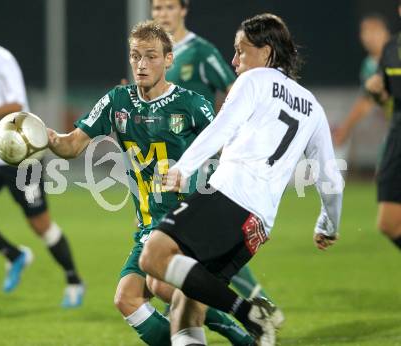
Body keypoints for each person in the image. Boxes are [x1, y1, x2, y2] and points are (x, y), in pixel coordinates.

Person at [48, 20, 258, 345]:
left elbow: (227, 146)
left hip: (186, 226)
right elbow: (72, 145)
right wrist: (44, 139)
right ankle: (235, 333)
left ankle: (239, 332)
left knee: (161, 285)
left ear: (168, 60)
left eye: (151, 56)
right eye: (135, 56)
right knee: (127, 299)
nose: (142, 64)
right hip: (147, 225)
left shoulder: (190, 104)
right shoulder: (118, 101)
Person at [139, 13, 344, 345]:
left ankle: (249, 313)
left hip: (228, 199)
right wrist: (328, 225)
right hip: (258, 224)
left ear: (265, 52)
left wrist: (183, 167)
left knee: (154, 255)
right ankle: (246, 314)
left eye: (240, 50)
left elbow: (222, 127)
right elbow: (330, 178)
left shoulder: (255, 80)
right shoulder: (312, 107)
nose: (234, 61)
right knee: (186, 305)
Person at [151, 0, 284, 321]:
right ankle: (226, 304)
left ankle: (251, 305)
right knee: (179, 240)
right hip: (166, 161)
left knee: (188, 238)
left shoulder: (201, 51)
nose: (162, 14)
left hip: (199, 160)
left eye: (169, 7)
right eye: (156, 8)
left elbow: (233, 87)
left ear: (184, 10)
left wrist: (230, 138)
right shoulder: (155, 54)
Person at [0, 3, 84, 307]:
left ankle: (73, 279)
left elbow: (17, 104)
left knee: (40, 224)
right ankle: (14, 255)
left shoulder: (2, 60)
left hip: (22, 156)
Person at [365, 1, 401, 255]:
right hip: (398, 133)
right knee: (388, 223)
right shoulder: (391, 48)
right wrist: (376, 90)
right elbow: (385, 96)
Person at [333, 14, 391, 147]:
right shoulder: (369, 65)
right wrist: (345, 129)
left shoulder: (395, 55)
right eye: (365, 31)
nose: (369, 36)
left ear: (387, 33)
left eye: (375, 30)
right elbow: (366, 102)